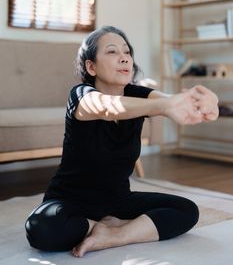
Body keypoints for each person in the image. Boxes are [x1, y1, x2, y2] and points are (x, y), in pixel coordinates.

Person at [25, 26, 219, 258]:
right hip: (70, 200)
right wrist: (165, 105)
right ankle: (102, 224)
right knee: (41, 228)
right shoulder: (81, 95)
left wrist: (205, 103)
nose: (124, 57)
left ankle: (114, 234)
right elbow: (106, 107)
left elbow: (171, 101)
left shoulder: (138, 94)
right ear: (91, 66)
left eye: (127, 52)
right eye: (112, 52)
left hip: (118, 200)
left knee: (186, 210)